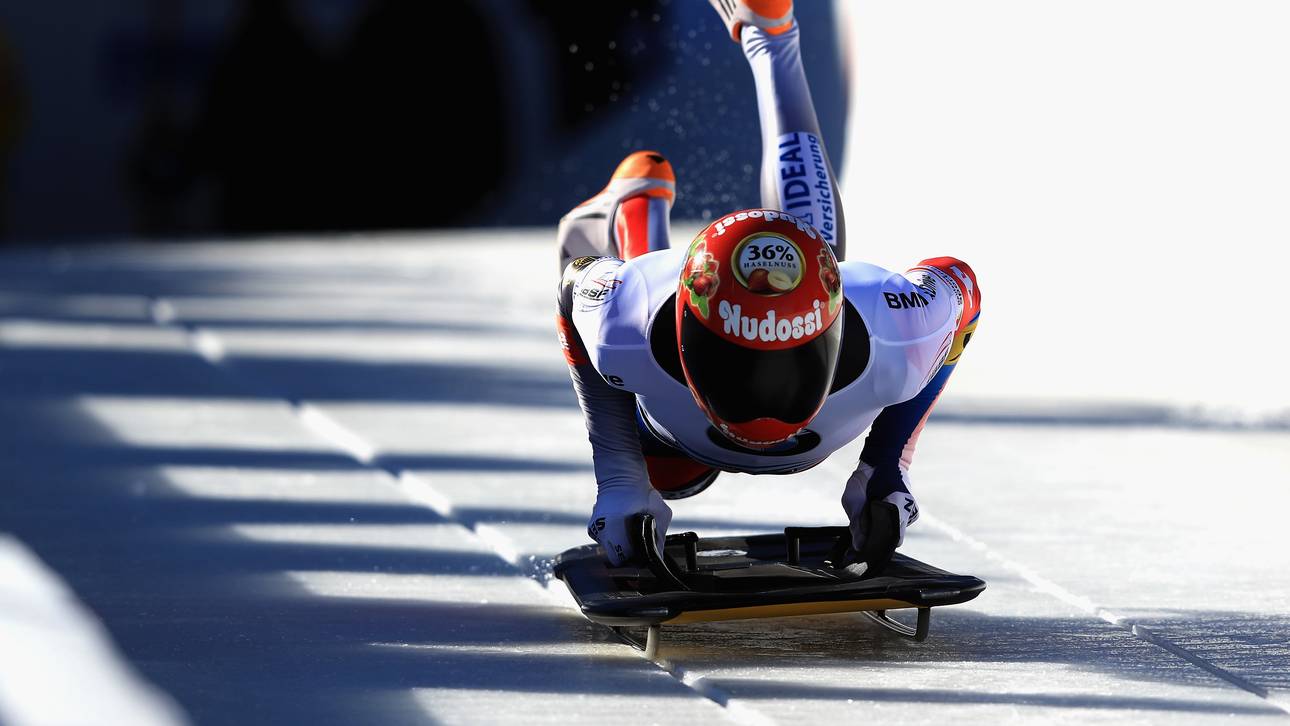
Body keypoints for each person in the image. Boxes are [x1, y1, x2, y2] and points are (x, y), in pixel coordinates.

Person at [555, 0, 981, 574]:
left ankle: (759, 54)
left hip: (679, 390)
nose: (764, 409)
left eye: (791, 361)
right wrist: (621, 476)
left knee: (669, 464)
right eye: (741, 365)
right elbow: (961, 288)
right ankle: (646, 195)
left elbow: (573, 288)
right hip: (667, 338)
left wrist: (888, 464)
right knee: (672, 474)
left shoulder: (894, 328)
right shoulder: (897, 338)